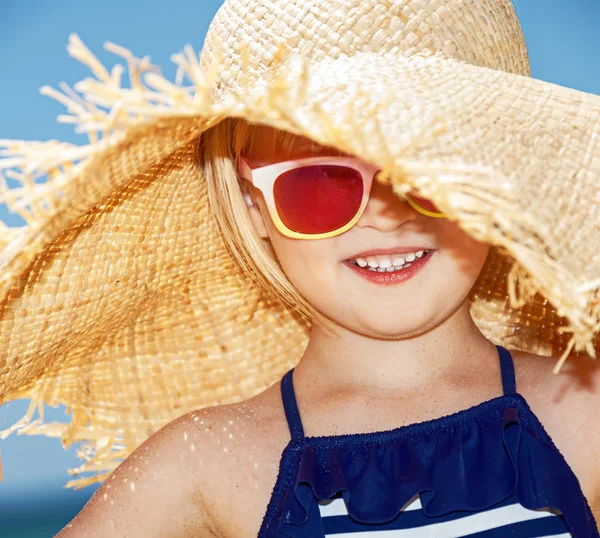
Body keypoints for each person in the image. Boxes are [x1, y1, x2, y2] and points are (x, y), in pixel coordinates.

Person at [0, 0, 598, 537]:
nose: (385, 218)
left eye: (423, 171)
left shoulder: (583, 412)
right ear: (255, 203)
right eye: (323, 183)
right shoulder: (208, 462)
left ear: (495, 176)